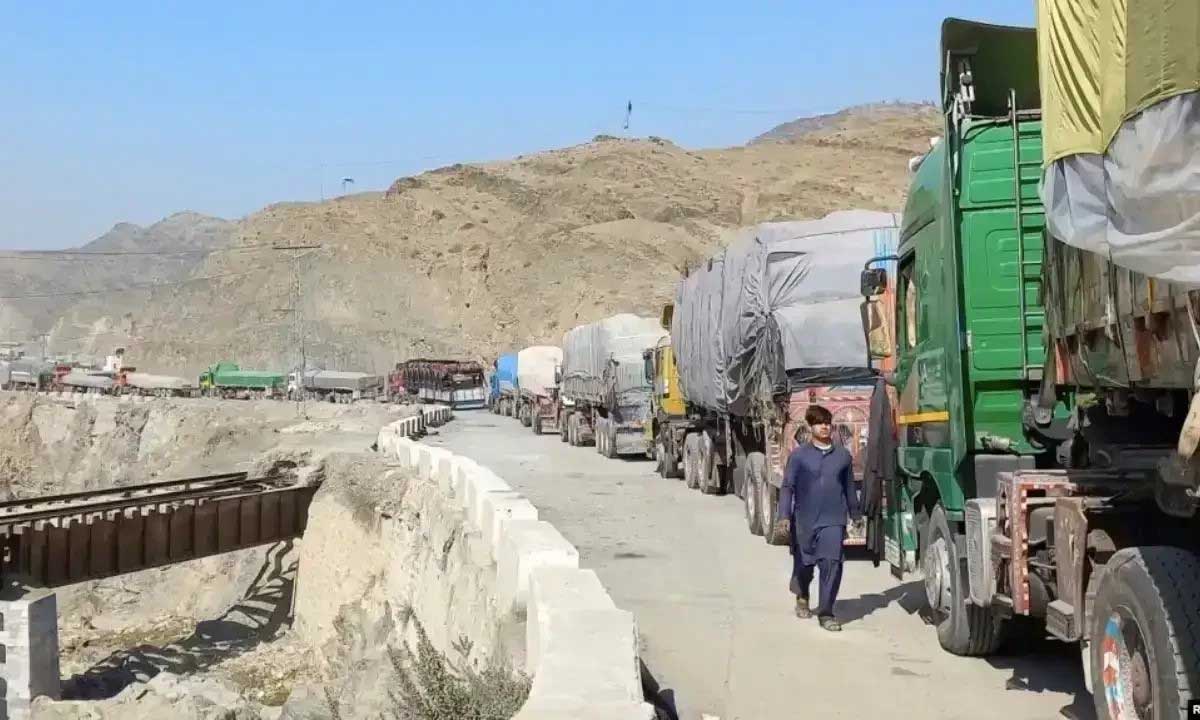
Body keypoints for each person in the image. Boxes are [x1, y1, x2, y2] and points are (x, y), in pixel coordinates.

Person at [777, 404, 861, 631]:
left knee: (832, 563)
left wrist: (856, 513)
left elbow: (849, 488)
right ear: (810, 426)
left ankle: (826, 612)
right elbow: (787, 487)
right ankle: (802, 594)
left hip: (833, 519)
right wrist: (784, 515)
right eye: (819, 423)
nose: (824, 427)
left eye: (827, 423)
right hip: (804, 519)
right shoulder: (799, 456)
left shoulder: (842, 456)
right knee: (805, 563)